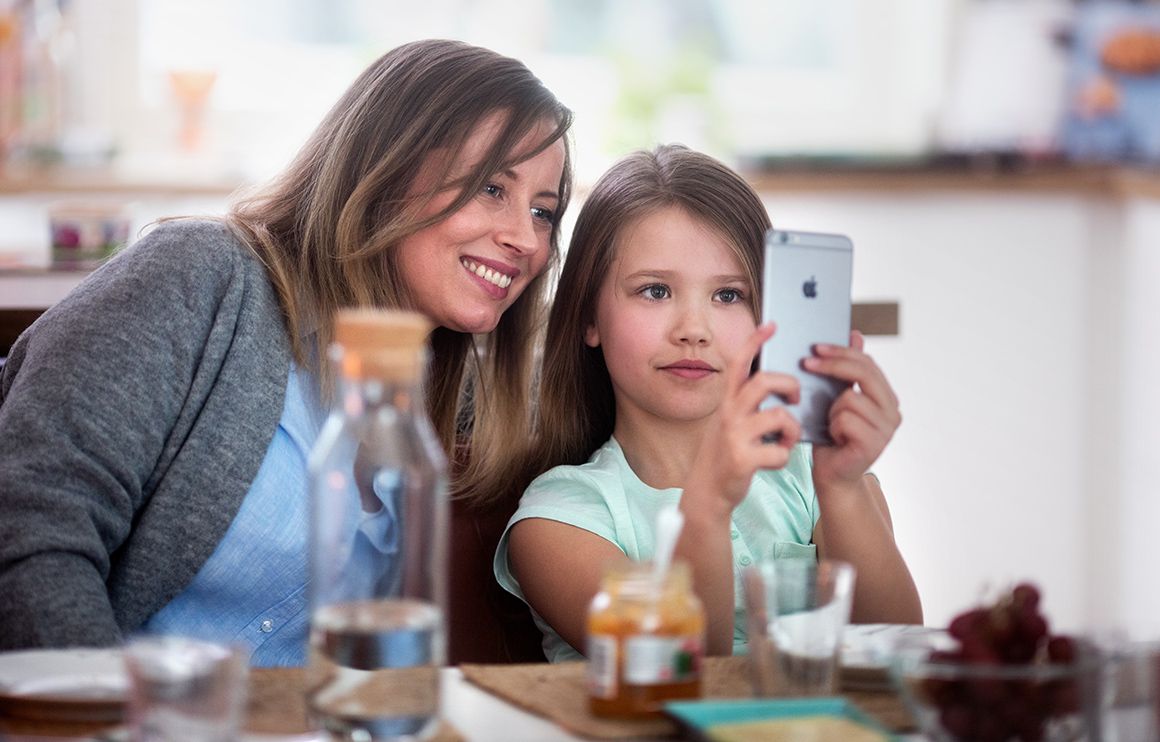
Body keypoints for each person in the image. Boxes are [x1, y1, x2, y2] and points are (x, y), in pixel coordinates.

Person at [0, 39, 572, 665]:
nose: (524, 238)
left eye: (543, 213)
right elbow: (30, 526)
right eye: (493, 188)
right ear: (388, 164)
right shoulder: (198, 278)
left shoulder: (458, 394)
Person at [494, 144, 922, 662]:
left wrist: (842, 487)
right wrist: (709, 506)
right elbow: (678, 665)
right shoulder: (561, 518)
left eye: (728, 296)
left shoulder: (814, 480)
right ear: (589, 318)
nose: (693, 331)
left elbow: (896, 650)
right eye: (654, 291)